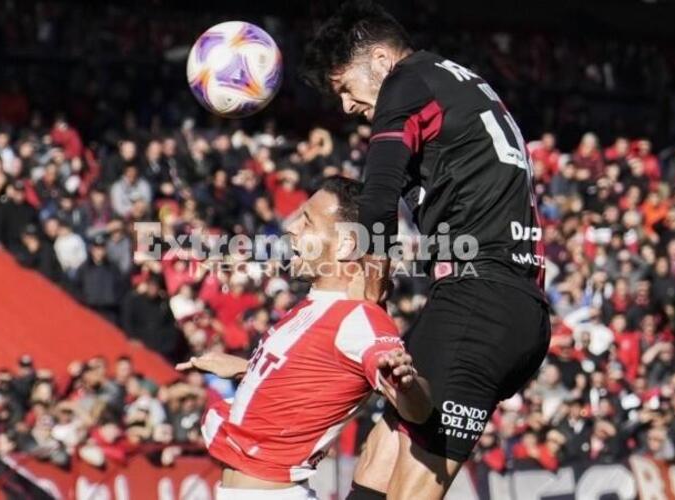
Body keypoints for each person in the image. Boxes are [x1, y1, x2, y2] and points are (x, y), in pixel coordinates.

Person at [302, 2, 551, 498]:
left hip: (479, 301)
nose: (347, 107)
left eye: (345, 88)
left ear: (378, 58)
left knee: (409, 485)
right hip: (504, 302)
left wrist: (364, 302)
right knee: (380, 452)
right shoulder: (456, 80)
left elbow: (379, 194)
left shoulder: (405, 83)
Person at [176, 177, 430, 500]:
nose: (292, 227)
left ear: (345, 245)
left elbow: (418, 410)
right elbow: (310, 382)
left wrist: (406, 386)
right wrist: (246, 367)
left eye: (307, 221)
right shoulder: (314, 304)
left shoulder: (360, 319)